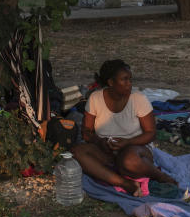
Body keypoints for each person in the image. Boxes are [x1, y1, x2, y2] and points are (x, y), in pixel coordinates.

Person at [72, 60, 176, 196]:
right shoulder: (95, 98)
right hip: (106, 150)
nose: (129, 84)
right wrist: (100, 142)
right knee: (76, 152)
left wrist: (127, 142)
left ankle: (160, 175)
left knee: (129, 161)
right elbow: (86, 132)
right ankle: (125, 183)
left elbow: (151, 133)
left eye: (130, 79)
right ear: (110, 82)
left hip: (136, 149)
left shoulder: (138, 99)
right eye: (124, 80)